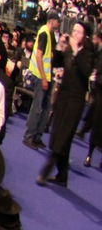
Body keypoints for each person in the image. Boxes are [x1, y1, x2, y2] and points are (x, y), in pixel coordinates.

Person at [38, 22, 94, 189]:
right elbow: (57, 64)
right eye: (74, 30)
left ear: (85, 36)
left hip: (76, 100)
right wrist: (60, 47)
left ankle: (47, 169)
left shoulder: (88, 53)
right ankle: (62, 175)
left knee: (63, 135)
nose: (74, 34)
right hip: (63, 95)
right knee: (61, 135)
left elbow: (85, 71)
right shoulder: (69, 49)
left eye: (78, 31)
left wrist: (75, 51)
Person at [23, 13, 60, 149]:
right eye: (58, 21)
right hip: (41, 75)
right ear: (53, 20)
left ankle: (37, 136)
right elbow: (39, 56)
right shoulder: (44, 33)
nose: (60, 24)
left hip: (48, 75)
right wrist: (44, 78)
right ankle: (29, 136)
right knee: (37, 108)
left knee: (45, 108)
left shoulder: (50, 34)